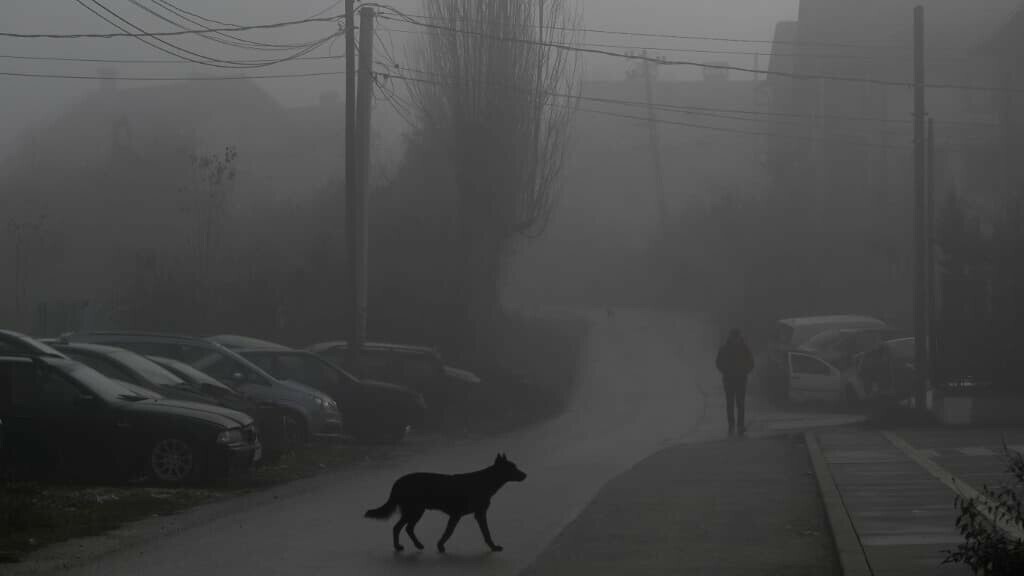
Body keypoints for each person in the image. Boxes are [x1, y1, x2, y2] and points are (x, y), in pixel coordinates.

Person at [715, 329, 755, 436]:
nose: (735, 339)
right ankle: (733, 426)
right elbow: (718, 362)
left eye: (736, 337)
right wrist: (743, 371)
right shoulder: (740, 348)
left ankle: (738, 426)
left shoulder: (739, 348)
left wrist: (744, 371)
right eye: (735, 337)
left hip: (736, 380)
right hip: (733, 380)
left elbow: (751, 363)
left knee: (738, 404)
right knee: (732, 404)